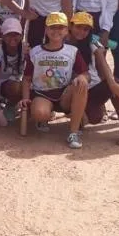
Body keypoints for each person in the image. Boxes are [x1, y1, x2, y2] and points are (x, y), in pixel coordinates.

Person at [20, 12, 88, 149]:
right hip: (42, 94)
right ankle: (45, 118)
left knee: (82, 83)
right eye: (52, 27)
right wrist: (25, 99)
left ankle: (73, 133)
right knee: (40, 113)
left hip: (64, 94)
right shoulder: (35, 52)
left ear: (66, 30)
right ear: (46, 30)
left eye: (60, 27)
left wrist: (82, 77)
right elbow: (27, 79)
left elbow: (85, 73)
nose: (56, 31)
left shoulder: (72, 51)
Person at [67, 12, 119, 146]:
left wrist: (112, 83)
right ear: (71, 26)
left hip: (92, 88)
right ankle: (79, 115)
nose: (81, 32)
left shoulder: (92, 42)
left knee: (115, 87)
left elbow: (103, 63)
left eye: (86, 29)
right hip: (72, 90)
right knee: (88, 116)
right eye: (78, 27)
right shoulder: (64, 42)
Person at [0, 18, 26, 127]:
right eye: (9, 34)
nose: (13, 38)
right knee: (15, 86)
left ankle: (16, 106)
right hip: (1, 84)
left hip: (20, 82)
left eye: (16, 34)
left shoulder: (26, 50)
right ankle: (7, 105)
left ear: (21, 36)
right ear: (2, 36)